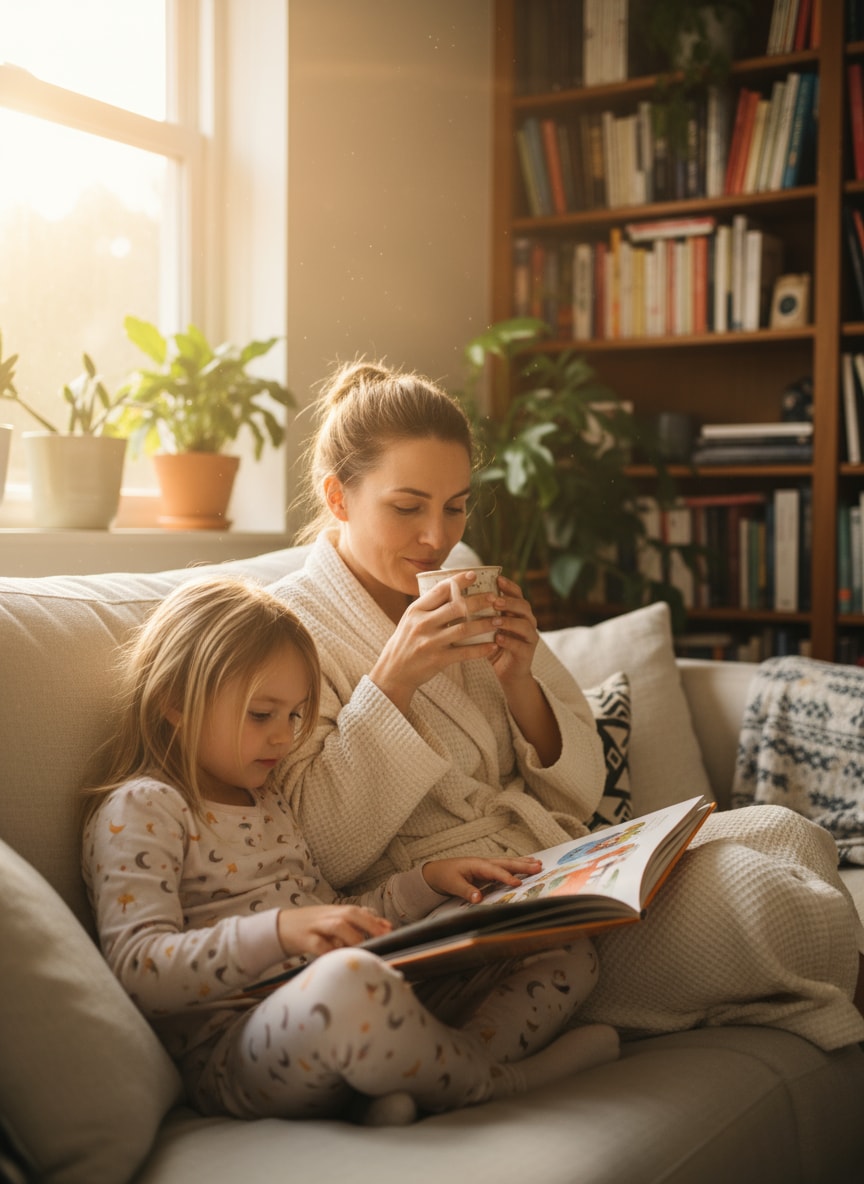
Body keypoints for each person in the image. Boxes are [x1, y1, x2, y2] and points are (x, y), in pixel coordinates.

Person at [270, 359, 864, 1052]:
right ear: (338, 498)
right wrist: (392, 683)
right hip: (464, 924)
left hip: (552, 865)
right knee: (768, 903)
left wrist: (521, 680)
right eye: (408, 508)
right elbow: (320, 845)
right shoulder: (287, 629)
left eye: (456, 505)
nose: (438, 537)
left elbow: (582, 791)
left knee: (791, 833)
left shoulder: (462, 585)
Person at [80, 576, 619, 1127]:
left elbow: (334, 914)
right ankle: (495, 1081)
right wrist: (280, 932)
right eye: (261, 714)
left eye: (295, 716)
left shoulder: (268, 800)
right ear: (175, 702)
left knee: (562, 946)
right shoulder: (143, 808)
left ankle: (408, 1083)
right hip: (238, 1048)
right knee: (348, 984)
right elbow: (139, 968)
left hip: (349, 1008)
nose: (284, 738)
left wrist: (425, 881)